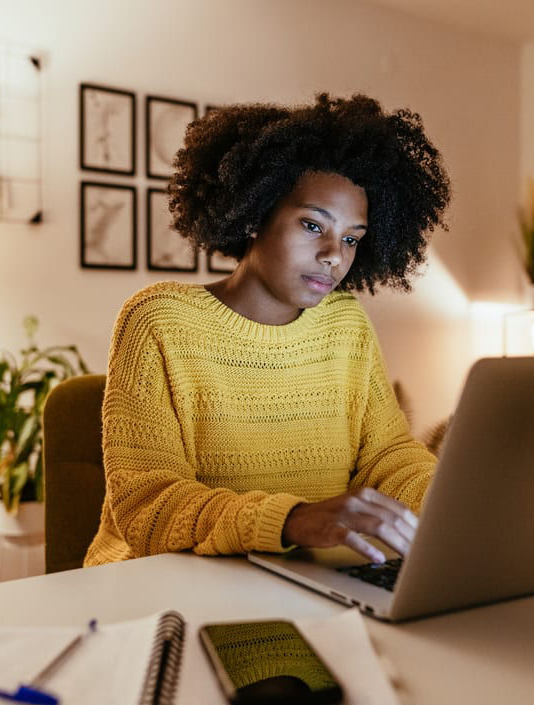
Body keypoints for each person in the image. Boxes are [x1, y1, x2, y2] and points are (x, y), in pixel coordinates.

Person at [83, 93, 452, 567]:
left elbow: (388, 456)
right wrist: (290, 519)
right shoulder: (159, 321)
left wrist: (449, 500)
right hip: (164, 584)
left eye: (351, 238)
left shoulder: (345, 324)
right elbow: (149, 504)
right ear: (256, 214)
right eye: (313, 225)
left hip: (304, 575)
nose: (334, 255)